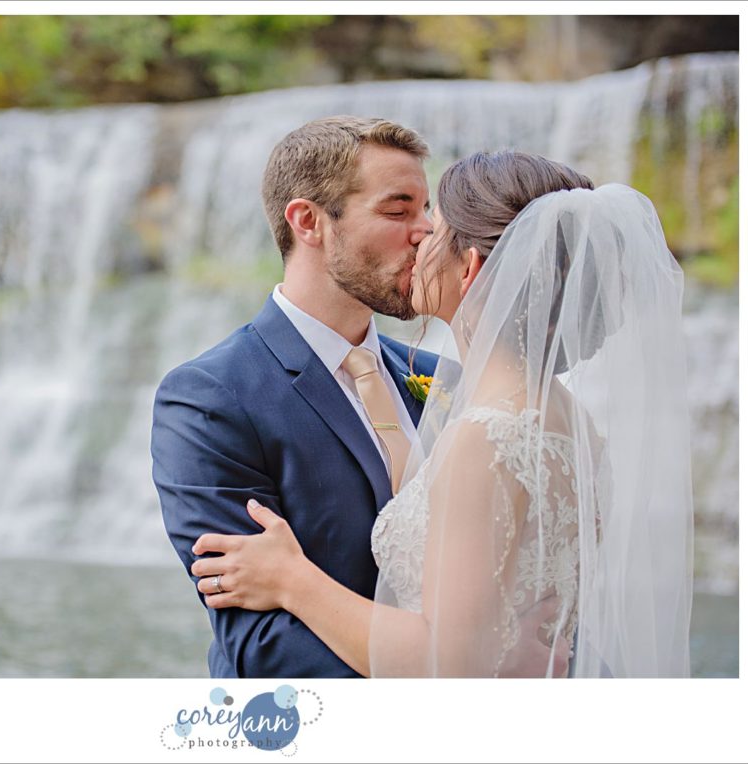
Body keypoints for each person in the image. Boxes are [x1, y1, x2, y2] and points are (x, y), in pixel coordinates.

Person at [189, 150, 694, 678]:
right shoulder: (571, 421)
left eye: (435, 229)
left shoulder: (486, 436)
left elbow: (446, 665)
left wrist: (294, 580)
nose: (420, 235)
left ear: (471, 267)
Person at [152, 118, 564, 678]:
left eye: (427, 211)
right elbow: (258, 639)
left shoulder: (449, 379)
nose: (425, 233)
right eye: (398, 211)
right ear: (309, 222)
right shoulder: (209, 397)